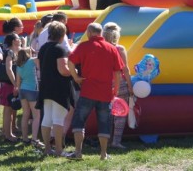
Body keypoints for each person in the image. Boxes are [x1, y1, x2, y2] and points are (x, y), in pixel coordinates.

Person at [66, 23, 124, 161]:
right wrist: (115, 90)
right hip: (105, 93)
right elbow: (117, 73)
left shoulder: (83, 46)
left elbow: (70, 62)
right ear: (100, 33)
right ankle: (103, 154)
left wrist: (76, 77)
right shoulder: (111, 48)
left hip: (87, 91)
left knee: (79, 122)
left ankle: (78, 153)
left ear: (89, 32)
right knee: (104, 123)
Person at [39, 21, 74, 157]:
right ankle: (59, 150)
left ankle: (47, 149)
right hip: (58, 88)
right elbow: (63, 70)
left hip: (45, 86)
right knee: (58, 119)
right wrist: (73, 70)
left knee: (47, 118)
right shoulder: (60, 49)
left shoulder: (43, 48)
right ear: (63, 34)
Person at [102, 22, 134, 149]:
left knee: (107, 113)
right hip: (119, 82)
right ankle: (116, 141)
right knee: (121, 112)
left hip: (104, 84)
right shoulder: (120, 49)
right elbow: (125, 69)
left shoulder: (100, 48)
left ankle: (107, 141)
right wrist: (130, 87)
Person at [15, 47, 41, 147]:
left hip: (22, 90)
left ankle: (25, 138)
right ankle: (34, 139)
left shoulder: (19, 66)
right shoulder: (32, 60)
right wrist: (35, 52)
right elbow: (40, 58)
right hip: (32, 90)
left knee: (25, 114)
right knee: (36, 116)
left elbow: (18, 82)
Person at [0, 33, 19, 142]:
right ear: (13, 41)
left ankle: (6, 132)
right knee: (8, 111)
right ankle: (8, 134)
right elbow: (9, 69)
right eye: (18, 39)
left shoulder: (9, 51)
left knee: (8, 111)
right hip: (10, 85)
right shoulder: (10, 52)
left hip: (8, 84)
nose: (20, 40)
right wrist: (15, 83)